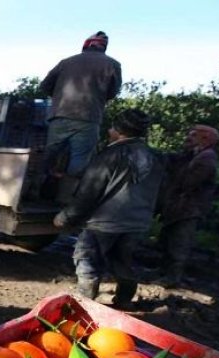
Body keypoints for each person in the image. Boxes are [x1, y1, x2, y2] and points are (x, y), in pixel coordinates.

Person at [53, 109, 164, 310]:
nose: (110, 130)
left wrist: (66, 216)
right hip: (138, 223)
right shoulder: (155, 157)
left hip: (104, 223)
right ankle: (123, 301)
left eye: (112, 127)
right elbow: (162, 191)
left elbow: (89, 192)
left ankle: (84, 306)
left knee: (87, 261)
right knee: (123, 261)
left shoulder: (110, 154)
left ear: (119, 131)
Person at [39, 31, 122, 187]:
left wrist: (59, 97)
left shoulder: (66, 62)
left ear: (86, 45)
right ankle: (65, 198)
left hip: (60, 115)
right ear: (104, 47)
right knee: (80, 160)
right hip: (89, 118)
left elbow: (45, 86)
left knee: (49, 156)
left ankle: (34, 190)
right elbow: (112, 93)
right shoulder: (113, 65)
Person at [156, 125, 219, 287]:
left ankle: (172, 278)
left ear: (205, 139)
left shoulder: (206, 158)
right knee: (168, 240)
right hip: (180, 207)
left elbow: (187, 183)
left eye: (193, 136)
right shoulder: (194, 155)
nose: (187, 138)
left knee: (179, 243)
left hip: (188, 209)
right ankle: (164, 273)